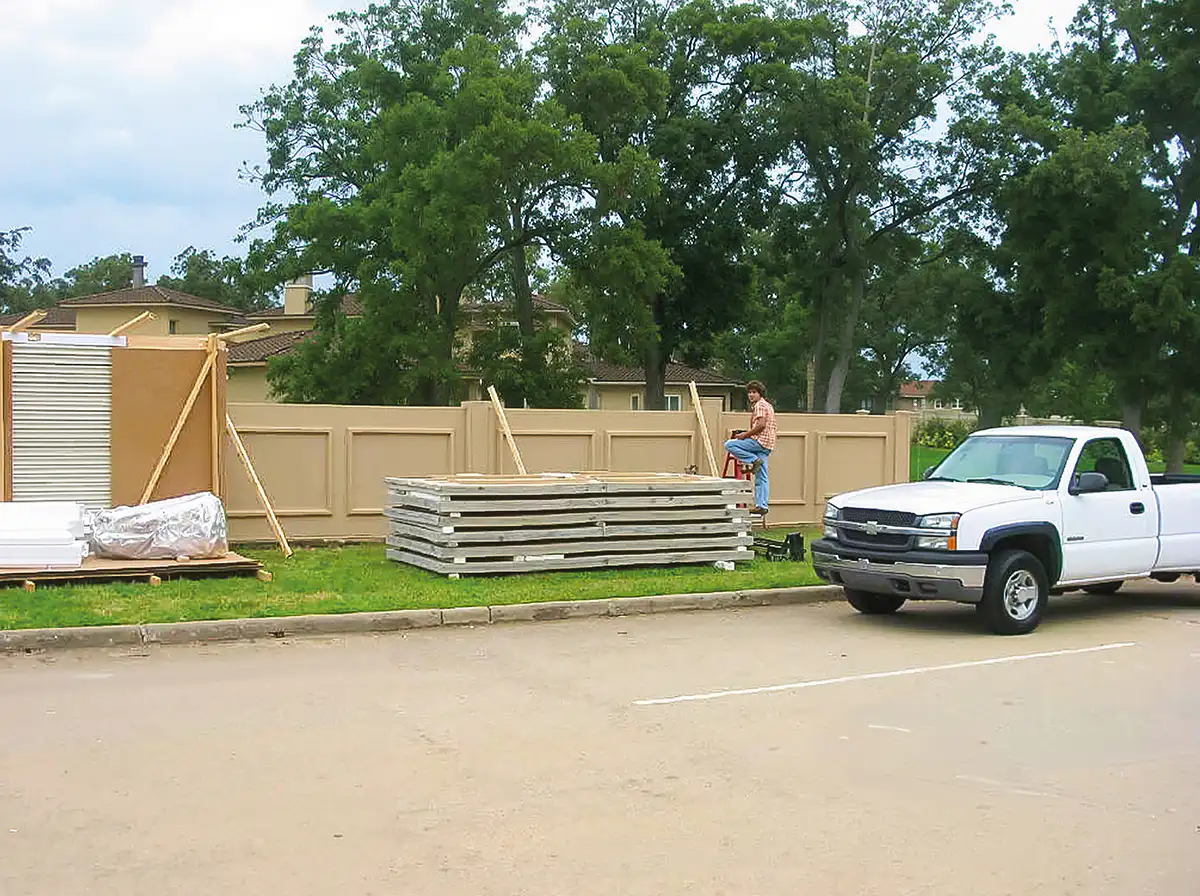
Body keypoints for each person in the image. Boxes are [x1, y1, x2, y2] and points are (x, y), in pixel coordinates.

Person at [724, 381, 776, 515]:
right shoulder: (768, 405)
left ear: (760, 394)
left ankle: (753, 460)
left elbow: (761, 425)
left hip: (759, 441)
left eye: (754, 392)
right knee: (762, 476)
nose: (751, 395)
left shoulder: (759, 405)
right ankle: (762, 505)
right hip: (767, 445)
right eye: (749, 392)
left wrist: (744, 435)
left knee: (730, 444)